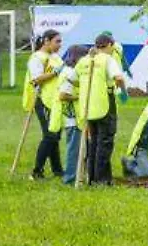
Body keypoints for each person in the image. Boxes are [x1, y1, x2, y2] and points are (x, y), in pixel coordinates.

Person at [74, 31, 129, 186]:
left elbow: (73, 79)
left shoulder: (85, 60)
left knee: (94, 142)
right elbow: (118, 77)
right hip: (105, 103)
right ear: (110, 45)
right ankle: (102, 179)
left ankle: (92, 177)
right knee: (105, 142)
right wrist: (123, 91)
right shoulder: (107, 60)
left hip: (89, 105)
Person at [25, 29, 65, 180]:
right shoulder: (36, 58)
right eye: (57, 41)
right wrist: (55, 73)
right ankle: (36, 171)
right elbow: (36, 79)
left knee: (55, 136)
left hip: (56, 100)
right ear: (46, 41)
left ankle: (58, 170)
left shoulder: (55, 57)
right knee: (50, 135)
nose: (60, 45)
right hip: (42, 100)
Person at [55, 44, 88, 185]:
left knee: (76, 148)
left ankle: (77, 175)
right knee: (73, 150)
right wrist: (81, 97)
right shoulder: (69, 73)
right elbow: (63, 95)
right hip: (72, 118)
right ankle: (69, 178)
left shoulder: (69, 70)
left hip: (74, 117)